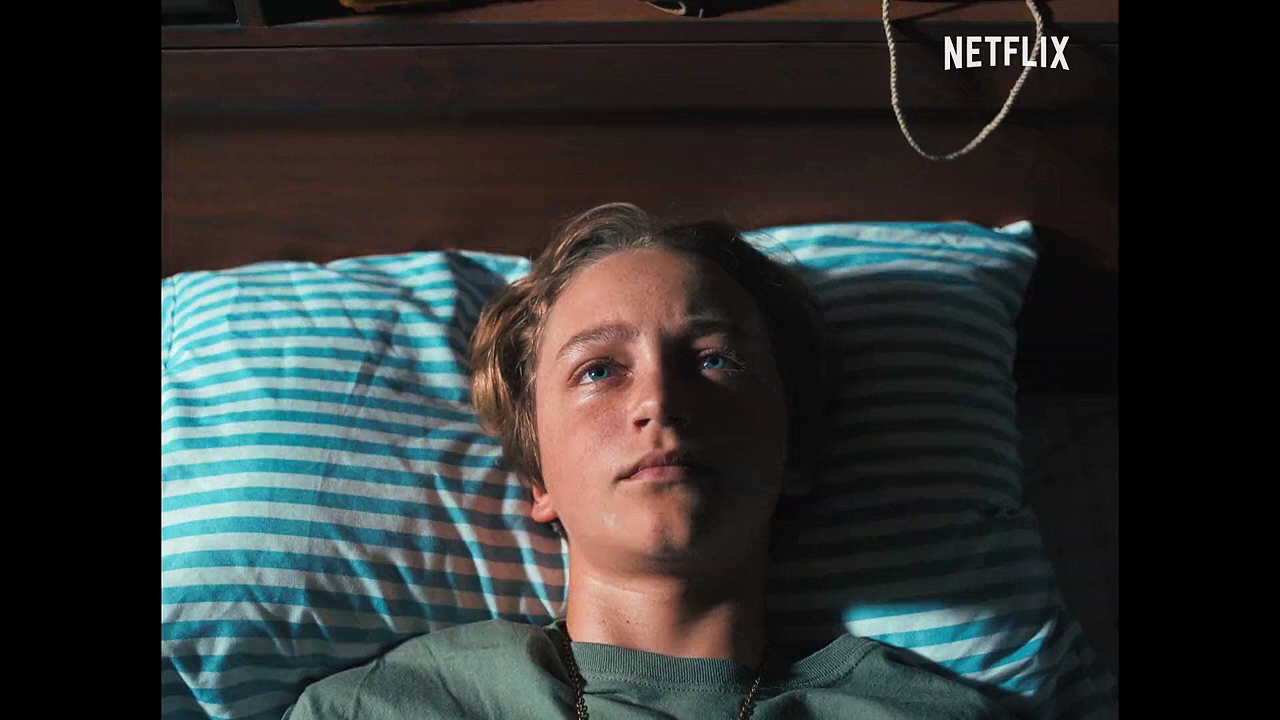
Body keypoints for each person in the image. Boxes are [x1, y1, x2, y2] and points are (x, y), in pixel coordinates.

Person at [283, 203, 1010, 719]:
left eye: (715, 360)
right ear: (537, 477)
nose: (659, 401)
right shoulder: (385, 709)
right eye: (598, 370)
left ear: (795, 450)